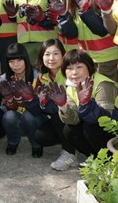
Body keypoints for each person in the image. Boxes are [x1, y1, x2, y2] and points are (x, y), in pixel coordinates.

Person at [47, 49, 118, 157]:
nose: (74, 72)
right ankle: (97, 158)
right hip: (98, 127)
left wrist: (86, 104)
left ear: (89, 67)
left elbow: (105, 118)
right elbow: (73, 120)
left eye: (79, 67)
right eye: (69, 68)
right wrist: (63, 105)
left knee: (90, 126)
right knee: (69, 130)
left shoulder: (103, 84)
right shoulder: (70, 87)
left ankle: (110, 160)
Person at [56, 0, 118, 83]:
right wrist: (63, 16)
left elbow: (102, 30)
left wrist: (86, 11)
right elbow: (72, 33)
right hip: (85, 59)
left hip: (107, 59)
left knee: (108, 96)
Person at [32, 39, 78, 171]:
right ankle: (71, 144)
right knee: (41, 136)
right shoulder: (43, 77)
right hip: (62, 118)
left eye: (56, 53)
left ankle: (69, 153)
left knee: (58, 110)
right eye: (47, 54)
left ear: (63, 55)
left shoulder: (70, 73)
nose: (51, 58)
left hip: (77, 116)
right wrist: (41, 102)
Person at [0, 43, 45, 157]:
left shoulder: (38, 76)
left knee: (28, 116)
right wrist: (9, 99)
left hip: (35, 117)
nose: (15, 65)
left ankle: (36, 144)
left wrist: (30, 98)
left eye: (19, 60)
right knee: (8, 116)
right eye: (11, 62)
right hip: (16, 117)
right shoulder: (4, 79)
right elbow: (2, 107)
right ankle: (13, 142)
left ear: (26, 59)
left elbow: (41, 108)